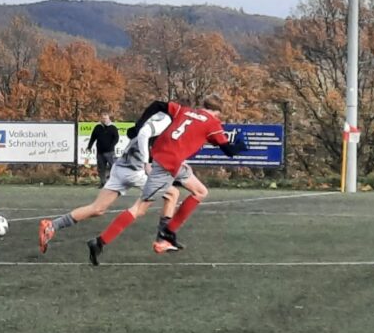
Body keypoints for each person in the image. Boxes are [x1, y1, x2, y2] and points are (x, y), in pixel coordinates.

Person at [86, 95, 248, 266]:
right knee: (139, 209)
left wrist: (140, 123)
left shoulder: (185, 110)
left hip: (168, 159)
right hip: (165, 166)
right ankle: (100, 242)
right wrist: (241, 146)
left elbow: (157, 104)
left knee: (200, 191)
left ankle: (169, 232)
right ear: (217, 111)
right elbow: (229, 151)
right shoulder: (212, 123)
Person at [39, 107, 178, 253]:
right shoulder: (160, 126)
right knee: (172, 193)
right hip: (134, 172)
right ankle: (162, 240)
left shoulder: (154, 124)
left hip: (120, 169)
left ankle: (52, 226)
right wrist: (147, 163)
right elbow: (147, 139)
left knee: (97, 209)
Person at [87, 112, 120, 188]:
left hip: (110, 152)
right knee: (101, 168)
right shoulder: (97, 127)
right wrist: (89, 146)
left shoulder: (113, 127)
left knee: (113, 167)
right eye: (103, 118)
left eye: (106, 118)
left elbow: (116, 138)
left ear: (109, 118)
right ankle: (103, 183)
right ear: (100, 119)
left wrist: (111, 146)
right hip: (100, 152)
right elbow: (93, 138)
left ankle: (113, 183)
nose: (104, 120)